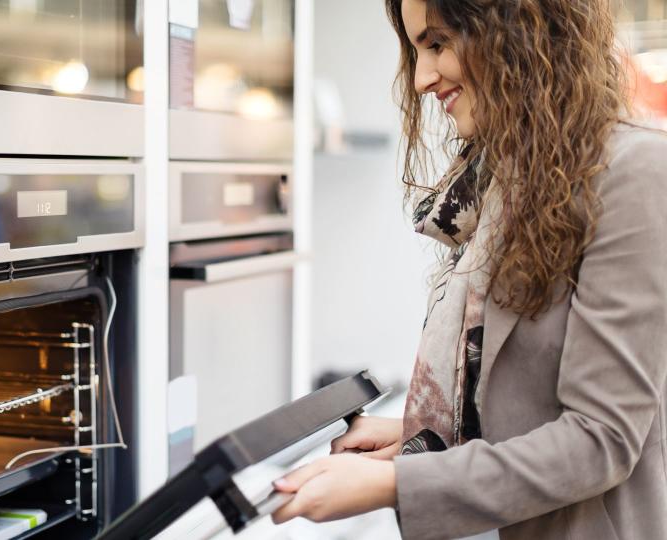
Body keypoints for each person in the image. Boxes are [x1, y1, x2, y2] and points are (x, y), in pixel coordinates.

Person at [271, 1, 667, 538]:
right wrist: (417, 438)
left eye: (437, 44)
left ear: (519, 29)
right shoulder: (509, 182)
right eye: (416, 51)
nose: (420, 79)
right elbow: (526, 400)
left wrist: (396, 484)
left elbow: (601, 440)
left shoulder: (636, 172)